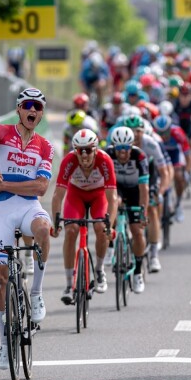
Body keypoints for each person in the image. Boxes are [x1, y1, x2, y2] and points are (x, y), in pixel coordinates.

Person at [0, 87, 53, 371]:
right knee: (0, 278)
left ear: (41, 113)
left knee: (43, 228)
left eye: (38, 107)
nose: (33, 110)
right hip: (2, 210)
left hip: (28, 206)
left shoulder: (45, 146)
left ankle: (37, 293)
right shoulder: (2, 131)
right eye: (28, 105)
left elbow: (40, 187)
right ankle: (5, 342)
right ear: (19, 108)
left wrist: (2, 183)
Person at [51, 129, 118, 305]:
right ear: (75, 151)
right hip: (76, 196)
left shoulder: (104, 160)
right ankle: (68, 284)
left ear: (96, 149)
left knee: (100, 229)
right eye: (80, 150)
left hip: (98, 196)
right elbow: (57, 195)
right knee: (71, 231)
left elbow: (112, 198)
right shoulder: (69, 161)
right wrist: (56, 221)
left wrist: (109, 225)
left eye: (89, 149)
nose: (85, 155)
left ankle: (99, 270)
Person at [122, 114, 170, 273]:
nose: (135, 135)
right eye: (132, 131)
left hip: (149, 176)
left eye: (138, 131)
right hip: (127, 178)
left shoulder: (150, 144)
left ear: (144, 132)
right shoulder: (120, 143)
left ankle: (154, 255)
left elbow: (164, 172)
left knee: (152, 208)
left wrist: (161, 191)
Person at [105, 127, 150, 293]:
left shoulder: (140, 156)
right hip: (116, 189)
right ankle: (111, 244)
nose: (122, 153)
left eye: (126, 148)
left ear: (131, 146)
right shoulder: (107, 154)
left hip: (135, 191)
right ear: (114, 147)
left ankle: (138, 271)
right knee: (112, 209)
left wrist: (143, 211)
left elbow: (144, 188)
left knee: (137, 231)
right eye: (119, 148)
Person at [152, 114, 191, 222]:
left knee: (179, 176)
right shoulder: (153, 136)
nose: (163, 136)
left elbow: (187, 154)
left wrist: (187, 171)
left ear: (170, 128)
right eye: (160, 133)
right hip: (160, 155)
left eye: (165, 132)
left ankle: (178, 204)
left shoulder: (178, 133)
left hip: (175, 154)